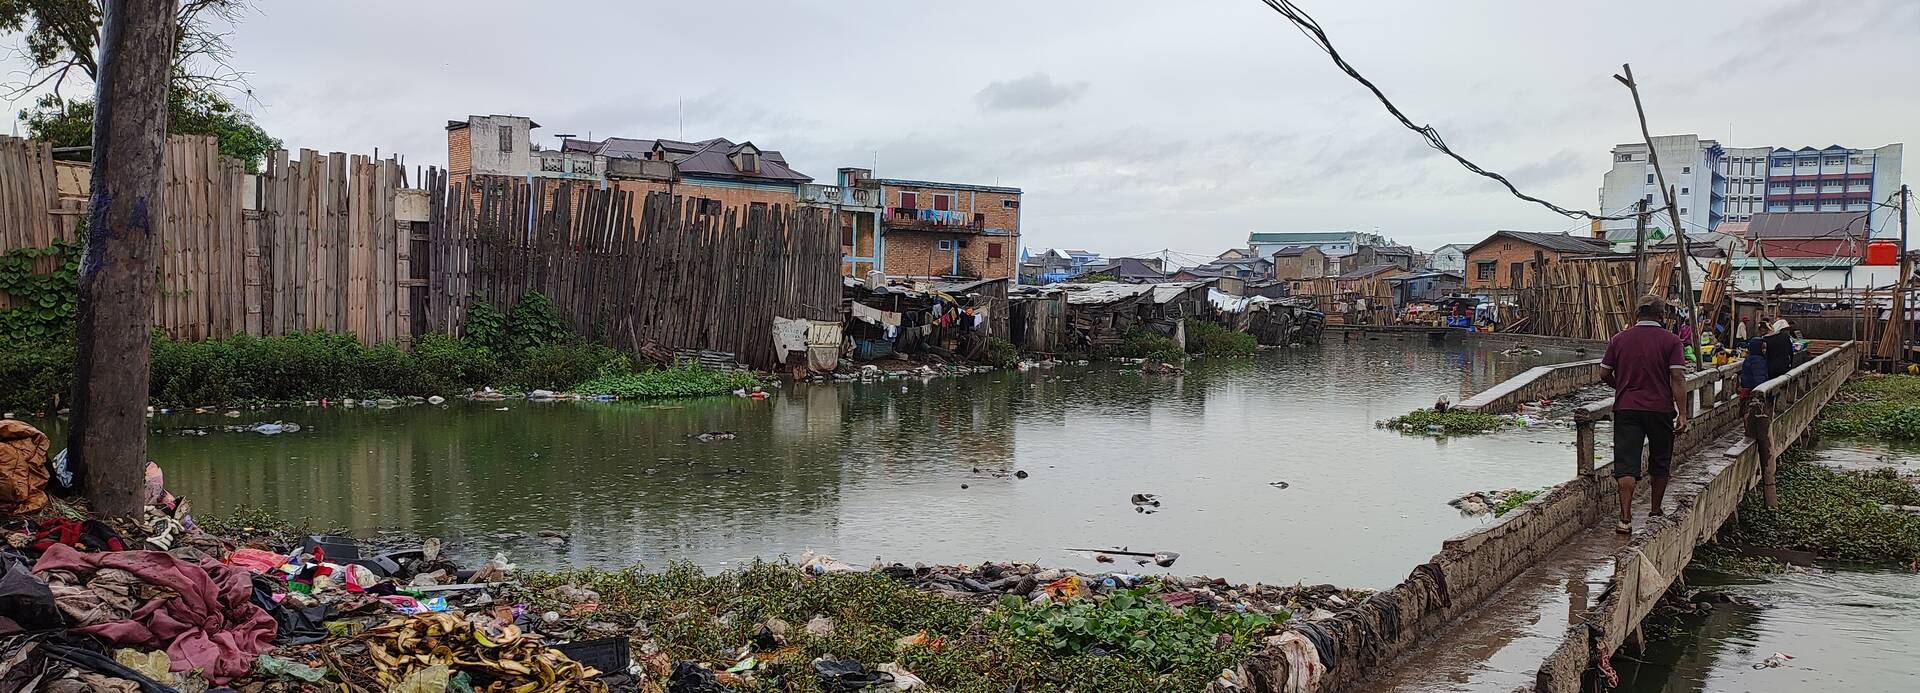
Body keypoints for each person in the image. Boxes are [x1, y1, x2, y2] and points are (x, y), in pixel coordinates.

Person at [1601, 295, 1690, 534]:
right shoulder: (1672, 341)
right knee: (1660, 459)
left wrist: (1621, 387)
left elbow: (1604, 373)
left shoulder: (1619, 339)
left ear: (1636, 315)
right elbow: (1678, 378)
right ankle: (1655, 511)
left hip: (1627, 408)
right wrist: (1683, 413)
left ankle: (1625, 518)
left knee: (1626, 464)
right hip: (1660, 409)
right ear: (1662, 317)